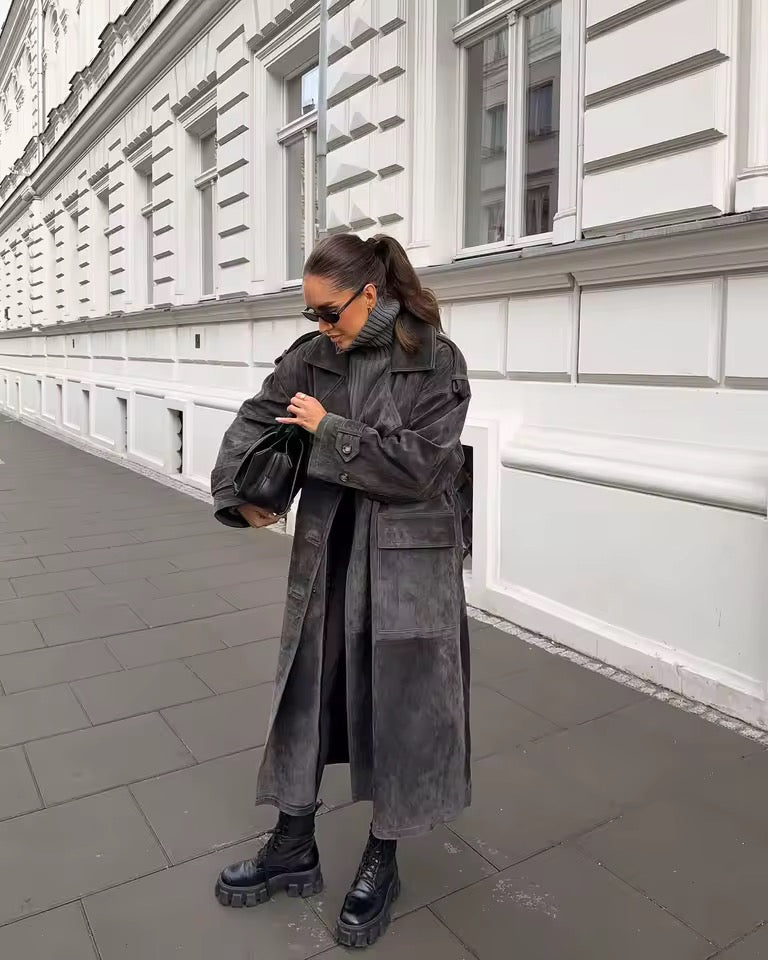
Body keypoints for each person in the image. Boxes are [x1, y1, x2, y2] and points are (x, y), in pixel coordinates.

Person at [210, 233, 472, 949]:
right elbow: (258, 415)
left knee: (399, 704)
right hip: (328, 550)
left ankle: (383, 856)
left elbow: (424, 469)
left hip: (409, 564)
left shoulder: (436, 360)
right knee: (308, 692)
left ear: (370, 293)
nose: (321, 325)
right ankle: (293, 841)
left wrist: (331, 433)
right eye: (311, 313)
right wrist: (241, 493)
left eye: (330, 311)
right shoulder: (312, 356)